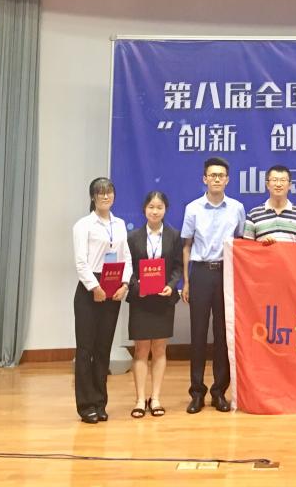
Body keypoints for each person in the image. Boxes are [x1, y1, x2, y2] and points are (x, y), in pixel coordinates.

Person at [181, 156, 246, 414]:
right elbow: (186, 246)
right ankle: (197, 392)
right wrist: (186, 281)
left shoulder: (237, 208)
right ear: (204, 179)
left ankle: (219, 391)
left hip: (226, 273)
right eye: (212, 175)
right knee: (197, 334)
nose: (217, 179)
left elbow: (240, 243)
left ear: (227, 180)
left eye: (221, 175)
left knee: (223, 334)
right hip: (199, 273)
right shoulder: (193, 208)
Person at [72, 177, 131, 424]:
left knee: (103, 348)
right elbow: (81, 262)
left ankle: (100, 402)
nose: (105, 196)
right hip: (90, 289)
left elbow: (126, 256)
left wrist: (125, 284)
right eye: (100, 193)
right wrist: (94, 287)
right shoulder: (83, 225)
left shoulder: (119, 224)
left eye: (109, 192)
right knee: (86, 349)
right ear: (93, 197)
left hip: (113, 285)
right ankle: (85, 405)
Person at [126, 190, 183, 419]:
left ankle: (156, 397)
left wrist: (171, 285)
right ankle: (140, 399)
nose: (155, 211)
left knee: (159, 349)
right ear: (144, 210)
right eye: (151, 207)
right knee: (141, 350)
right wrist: (137, 286)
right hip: (141, 300)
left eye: (159, 207)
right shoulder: (133, 237)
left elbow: (178, 266)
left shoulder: (174, 236)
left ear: (165, 210)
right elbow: (128, 268)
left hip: (163, 299)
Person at [244, 165, 296, 244]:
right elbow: (247, 247)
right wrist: (261, 245)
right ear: (267, 184)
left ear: (290, 185)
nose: (278, 184)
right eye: (274, 180)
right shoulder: (253, 215)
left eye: (283, 180)